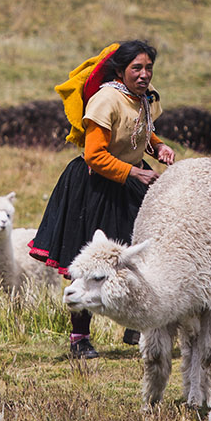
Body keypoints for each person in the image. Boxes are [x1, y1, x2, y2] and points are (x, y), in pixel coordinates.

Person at [29, 39, 177, 360]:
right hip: (95, 186)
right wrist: (137, 174)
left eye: (148, 67)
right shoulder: (106, 100)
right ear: (121, 71)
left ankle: (136, 324)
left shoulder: (144, 100)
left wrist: (159, 147)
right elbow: (95, 154)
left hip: (129, 180)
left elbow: (142, 132)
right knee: (90, 259)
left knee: (140, 252)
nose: (144, 74)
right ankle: (79, 338)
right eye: (136, 68)